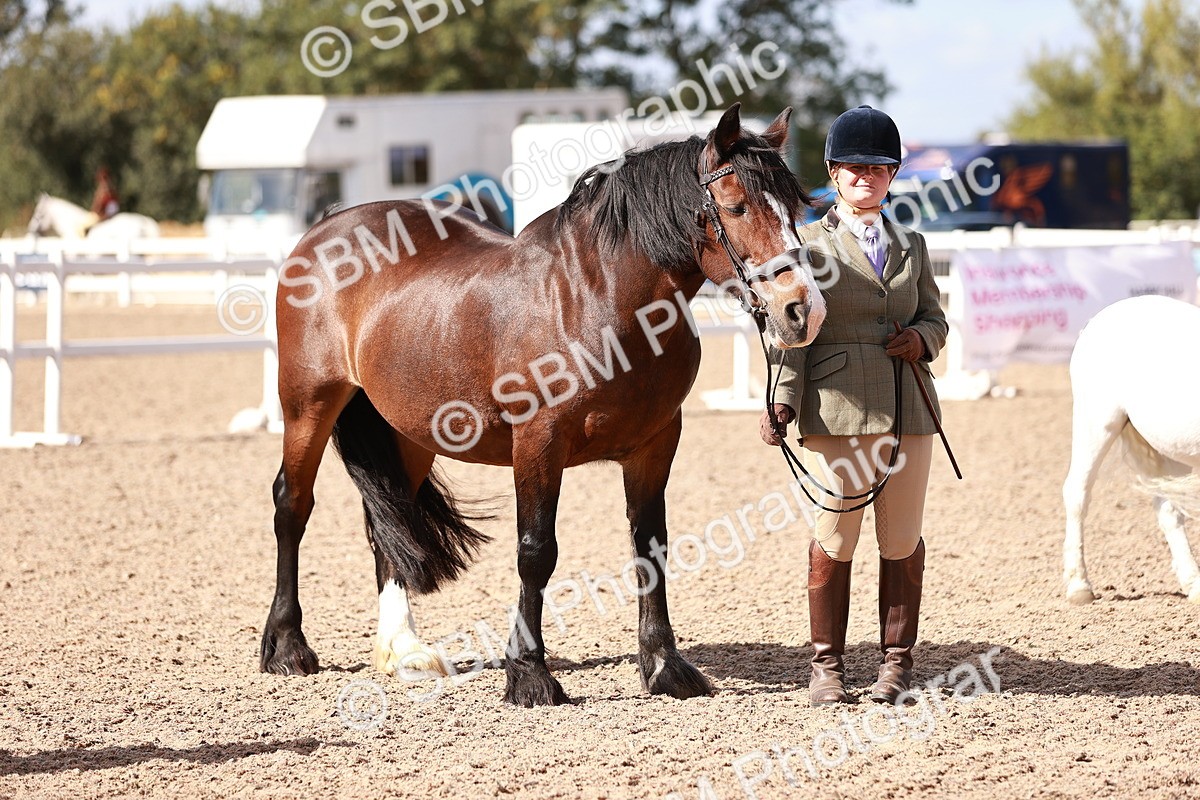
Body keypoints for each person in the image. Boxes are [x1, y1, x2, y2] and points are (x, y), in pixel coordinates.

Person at [759, 105, 948, 706]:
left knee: (902, 539)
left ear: (891, 176)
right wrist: (782, 399)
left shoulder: (911, 243)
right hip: (836, 406)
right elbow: (791, 329)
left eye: (878, 168)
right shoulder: (808, 246)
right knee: (835, 536)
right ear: (834, 174)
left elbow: (935, 316)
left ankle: (896, 663)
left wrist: (922, 339)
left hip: (908, 406)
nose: (865, 178)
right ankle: (827, 666)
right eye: (853, 168)